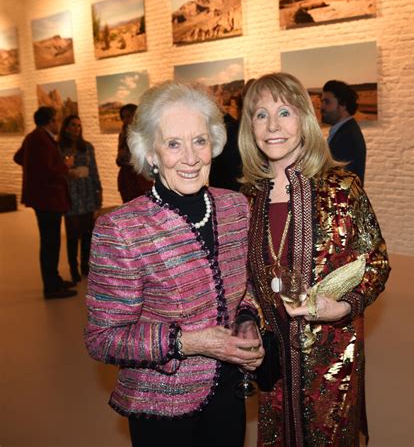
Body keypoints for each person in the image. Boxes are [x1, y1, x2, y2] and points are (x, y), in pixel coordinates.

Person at [85, 81, 264, 447]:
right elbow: (103, 339)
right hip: (162, 404)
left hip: (229, 392)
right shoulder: (120, 229)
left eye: (200, 141)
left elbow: (243, 291)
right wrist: (189, 342)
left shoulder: (235, 208)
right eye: (173, 144)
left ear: (214, 143)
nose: (191, 157)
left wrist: (247, 321)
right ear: (151, 153)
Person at [238, 73, 390, 446]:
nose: (273, 126)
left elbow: (376, 262)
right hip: (272, 360)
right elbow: (241, 280)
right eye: (260, 115)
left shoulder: (342, 188)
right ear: (249, 127)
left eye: (284, 112)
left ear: (304, 120)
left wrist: (345, 306)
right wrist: (246, 320)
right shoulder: (245, 199)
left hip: (332, 357)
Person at [13, 106, 77, 299]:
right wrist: (65, 166)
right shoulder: (41, 139)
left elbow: (18, 157)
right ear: (50, 121)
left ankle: (54, 279)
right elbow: (48, 170)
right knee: (50, 242)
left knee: (51, 240)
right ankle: (51, 286)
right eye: (56, 120)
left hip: (44, 197)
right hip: (48, 198)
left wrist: (33, 168)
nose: (58, 123)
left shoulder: (35, 136)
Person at [58, 115, 102, 282]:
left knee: (87, 233)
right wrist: (67, 172)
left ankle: (85, 266)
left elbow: (94, 171)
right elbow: (57, 170)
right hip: (71, 193)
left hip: (87, 193)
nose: (76, 128)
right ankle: (73, 268)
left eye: (79, 125)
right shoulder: (59, 147)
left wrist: (99, 193)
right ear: (66, 127)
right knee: (72, 234)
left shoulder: (87, 147)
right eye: (73, 125)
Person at [321, 80, 367, 185]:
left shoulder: (348, 136)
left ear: (343, 105)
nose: (322, 107)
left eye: (327, 102)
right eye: (322, 101)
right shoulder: (345, 130)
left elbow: (336, 179)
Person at [116, 103, 152, 202]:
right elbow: (119, 160)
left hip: (141, 177)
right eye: (123, 117)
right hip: (126, 176)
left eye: (128, 116)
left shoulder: (145, 134)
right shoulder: (123, 135)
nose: (125, 120)